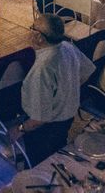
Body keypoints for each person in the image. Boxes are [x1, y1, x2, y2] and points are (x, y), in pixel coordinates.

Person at [8, 14, 95, 165]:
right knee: (57, 155)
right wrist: (66, 92)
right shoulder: (68, 47)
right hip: (67, 118)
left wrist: (19, 129)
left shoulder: (42, 68)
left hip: (46, 130)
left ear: (40, 38)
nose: (30, 31)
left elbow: (39, 119)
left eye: (33, 28)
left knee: (41, 165)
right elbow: (86, 73)